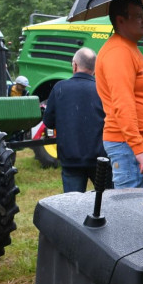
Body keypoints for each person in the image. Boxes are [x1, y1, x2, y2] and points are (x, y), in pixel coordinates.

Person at [95, 0, 143, 188]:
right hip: (129, 146)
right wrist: (139, 149)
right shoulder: (118, 52)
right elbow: (122, 104)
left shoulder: (129, 48)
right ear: (120, 20)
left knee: (137, 208)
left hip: (136, 145)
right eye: (138, 16)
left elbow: (142, 94)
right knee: (129, 212)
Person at [43, 47, 106, 193]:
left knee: (73, 208)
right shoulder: (103, 89)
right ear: (95, 69)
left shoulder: (59, 88)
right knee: (107, 203)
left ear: (75, 65)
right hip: (100, 159)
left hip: (70, 158)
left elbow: (48, 122)